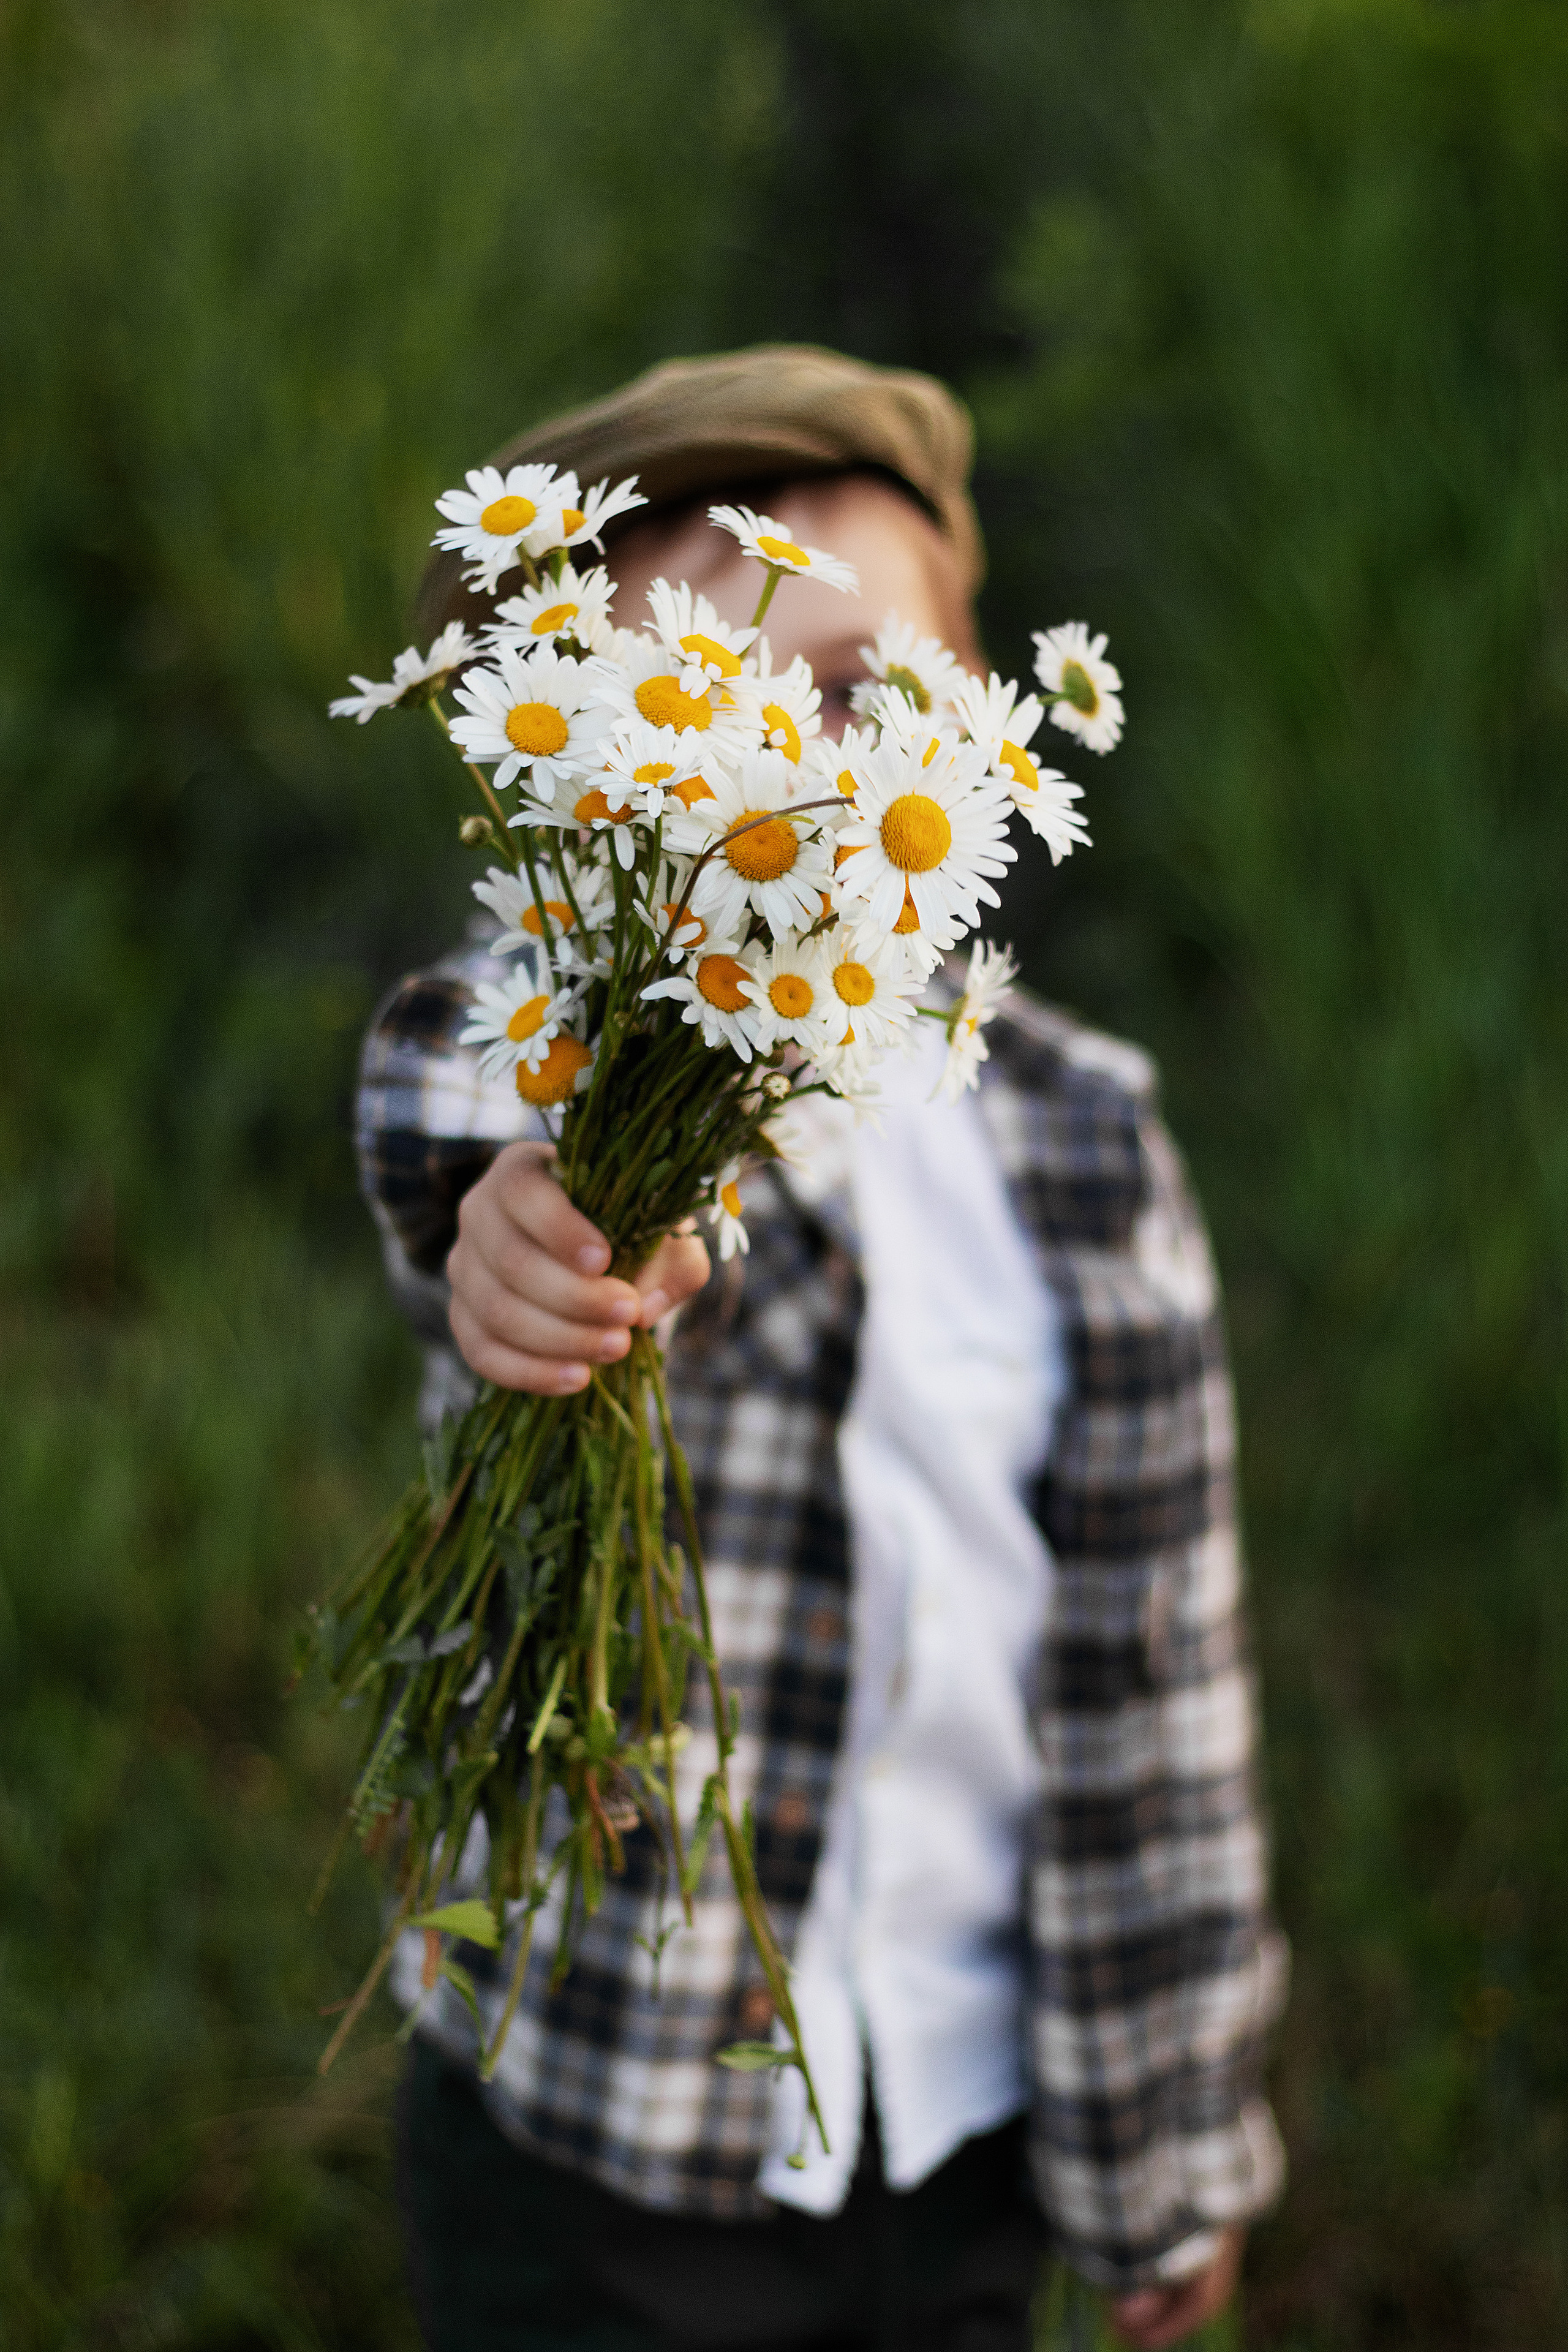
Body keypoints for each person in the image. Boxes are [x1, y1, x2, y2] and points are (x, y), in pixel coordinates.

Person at [356, 346, 1288, 2352]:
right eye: (711, 711)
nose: (805, 782)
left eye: (865, 700)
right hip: (592, 2126)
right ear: (606, 769)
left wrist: (1168, 2149)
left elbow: (1159, 1691)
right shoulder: (573, 1075)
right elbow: (454, 1096)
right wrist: (517, 1227)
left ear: (981, 726)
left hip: (966, 2126)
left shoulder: (1089, 1140)